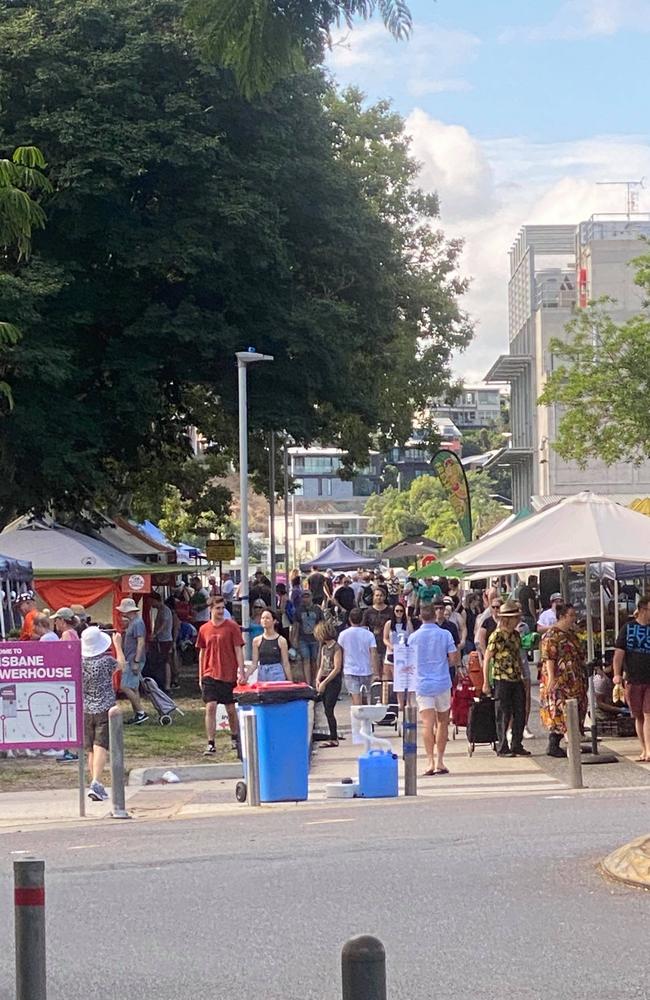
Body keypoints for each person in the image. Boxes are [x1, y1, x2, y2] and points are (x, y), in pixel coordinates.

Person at [408, 604, 458, 776]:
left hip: (422, 684)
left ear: (420, 617)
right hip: (442, 682)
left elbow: (409, 661)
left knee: (427, 723)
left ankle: (429, 761)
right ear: (435, 616)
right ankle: (440, 761)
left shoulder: (413, 637)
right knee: (443, 722)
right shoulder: (445, 634)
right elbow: (453, 659)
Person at [196, 596, 245, 755]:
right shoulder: (204, 629)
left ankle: (234, 737)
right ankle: (211, 742)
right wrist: (201, 674)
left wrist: (241, 671)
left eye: (223, 608)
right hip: (210, 673)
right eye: (218, 608)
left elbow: (238, 649)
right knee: (210, 707)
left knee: (231, 709)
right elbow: (202, 652)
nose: (221, 611)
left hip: (228, 673)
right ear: (210, 609)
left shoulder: (232, 627)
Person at [81, 626, 125, 802]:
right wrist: (118, 646)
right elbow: (121, 665)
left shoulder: (80, 662)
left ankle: (94, 781)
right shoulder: (106, 661)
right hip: (105, 708)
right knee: (101, 746)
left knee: (91, 749)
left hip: (86, 708)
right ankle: (96, 783)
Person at [539, 602, 587, 758]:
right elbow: (549, 658)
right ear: (561, 617)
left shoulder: (571, 635)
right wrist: (552, 679)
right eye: (571, 616)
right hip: (560, 682)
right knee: (562, 713)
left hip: (575, 681)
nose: (574, 619)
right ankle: (569, 745)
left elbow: (579, 655)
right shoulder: (551, 636)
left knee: (575, 712)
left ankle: (558, 743)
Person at [483, 599, 530, 757]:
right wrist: (486, 682)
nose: (518, 620)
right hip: (501, 678)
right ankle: (503, 746)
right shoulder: (496, 636)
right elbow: (487, 658)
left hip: (516, 678)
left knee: (520, 712)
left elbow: (518, 656)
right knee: (503, 713)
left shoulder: (516, 635)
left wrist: (523, 675)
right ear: (507, 619)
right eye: (515, 617)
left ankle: (517, 743)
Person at [613, 596, 650, 762]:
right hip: (633, 678)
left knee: (649, 713)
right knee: (639, 716)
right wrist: (617, 674)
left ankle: (649, 750)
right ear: (643, 609)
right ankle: (644, 749)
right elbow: (619, 654)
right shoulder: (628, 628)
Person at [116, 597, 148, 725]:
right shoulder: (134, 622)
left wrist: (136, 660)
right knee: (134, 687)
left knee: (125, 686)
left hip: (133, 659)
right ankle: (138, 714)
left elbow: (141, 642)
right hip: (131, 658)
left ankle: (140, 712)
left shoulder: (137, 623)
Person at [338, 608, 377, 705]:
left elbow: (340, 653)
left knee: (356, 699)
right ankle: (366, 718)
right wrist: (376, 672)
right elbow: (373, 653)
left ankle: (359, 719)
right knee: (365, 698)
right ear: (362, 619)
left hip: (350, 670)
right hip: (366, 671)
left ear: (350, 619)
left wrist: (340, 669)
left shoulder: (343, 635)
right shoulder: (369, 635)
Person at [314, 620, 343, 746]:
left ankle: (333, 737)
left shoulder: (336, 647)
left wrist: (325, 682)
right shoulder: (324, 647)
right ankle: (332, 736)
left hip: (333, 680)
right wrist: (317, 678)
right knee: (326, 708)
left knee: (329, 709)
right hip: (324, 678)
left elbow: (337, 668)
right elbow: (322, 665)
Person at [250, 610, 292, 682]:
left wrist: (290, 681)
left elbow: (285, 663)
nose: (264, 620)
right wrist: (245, 676)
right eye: (262, 618)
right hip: (262, 673)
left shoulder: (281, 640)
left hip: (276, 672)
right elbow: (254, 664)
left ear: (274, 621)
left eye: (267, 618)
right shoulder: (256, 641)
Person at [292, 591, 323, 685]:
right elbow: (296, 625)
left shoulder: (317, 609)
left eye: (307, 596)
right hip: (303, 639)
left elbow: (321, 624)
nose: (305, 599)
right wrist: (294, 638)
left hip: (315, 639)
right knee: (305, 660)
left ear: (311, 597)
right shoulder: (298, 610)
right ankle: (308, 683)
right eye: (304, 597)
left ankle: (315, 681)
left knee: (315, 661)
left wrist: (322, 638)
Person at [362, 588, 392, 678]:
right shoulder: (368, 611)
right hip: (373, 644)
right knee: (375, 670)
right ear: (373, 597)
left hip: (387, 644)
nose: (379, 597)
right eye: (377, 595)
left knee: (387, 671)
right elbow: (364, 627)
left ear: (385, 597)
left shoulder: (390, 611)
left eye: (381, 595)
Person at [150, 590, 174, 691]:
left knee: (166, 661)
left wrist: (155, 634)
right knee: (161, 662)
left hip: (165, 640)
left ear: (156, 600)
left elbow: (163, 625)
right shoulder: (160, 610)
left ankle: (167, 684)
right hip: (161, 639)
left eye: (151, 602)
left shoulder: (165, 610)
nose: (150, 604)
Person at [382, 603, 408, 682]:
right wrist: (390, 646)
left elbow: (411, 637)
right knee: (389, 680)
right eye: (397, 611)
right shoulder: (389, 624)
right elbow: (385, 638)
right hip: (391, 652)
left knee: (400, 681)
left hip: (403, 653)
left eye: (401, 611)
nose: (399, 613)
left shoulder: (407, 624)